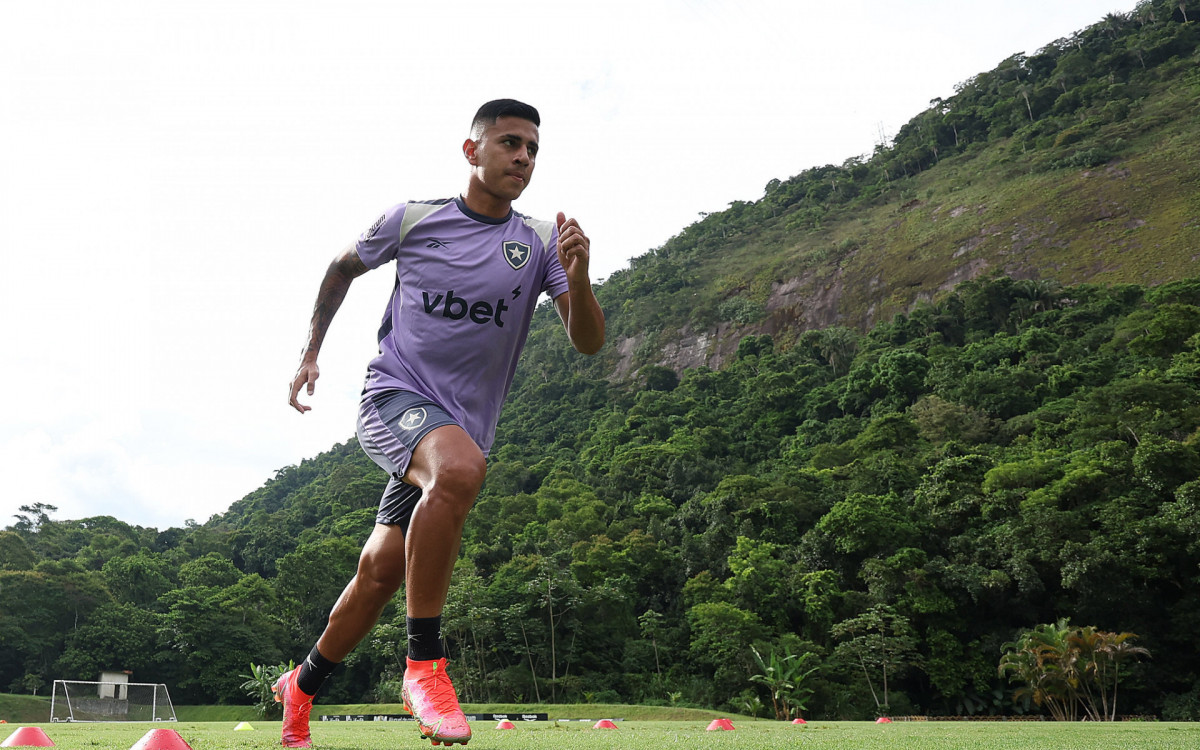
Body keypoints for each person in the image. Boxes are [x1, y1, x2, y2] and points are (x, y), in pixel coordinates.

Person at [275, 99, 605, 747]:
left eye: (533, 150)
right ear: (471, 150)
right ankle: (424, 667)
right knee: (457, 470)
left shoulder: (542, 241)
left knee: (380, 572)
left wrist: (580, 276)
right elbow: (341, 267)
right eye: (510, 143)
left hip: (455, 431)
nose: (523, 158)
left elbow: (588, 342)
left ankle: (301, 685)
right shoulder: (413, 219)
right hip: (394, 399)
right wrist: (310, 352)